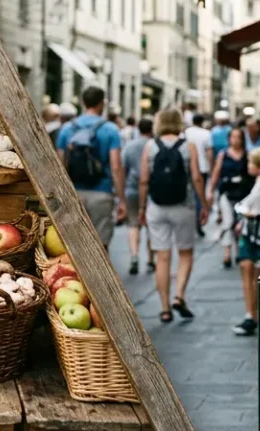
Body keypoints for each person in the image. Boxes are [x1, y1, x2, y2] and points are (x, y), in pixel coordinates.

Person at [139, 107, 208, 323]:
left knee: (162, 256)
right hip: (183, 206)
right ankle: (179, 296)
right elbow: (196, 178)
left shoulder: (150, 146)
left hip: (156, 207)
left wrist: (141, 208)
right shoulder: (189, 146)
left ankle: (164, 308)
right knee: (185, 253)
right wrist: (203, 204)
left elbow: (143, 180)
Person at [56, 87, 125, 250]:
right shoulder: (111, 129)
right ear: (102, 103)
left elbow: (60, 165)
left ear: (83, 102)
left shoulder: (67, 129)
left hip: (74, 193)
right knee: (101, 246)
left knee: (75, 246)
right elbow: (116, 167)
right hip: (102, 192)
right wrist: (122, 199)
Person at [231, 147, 260, 336]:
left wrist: (244, 212)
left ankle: (253, 314)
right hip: (253, 232)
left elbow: (249, 206)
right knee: (250, 271)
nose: (248, 166)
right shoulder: (259, 182)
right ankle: (252, 314)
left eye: (251, 163)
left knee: (253, 274)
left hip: (258, 234)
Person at [208, 127, 255, 269]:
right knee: (228, 222)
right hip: (226, 194)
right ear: (229, 139)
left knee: (241, 223)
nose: (235, 140)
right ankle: (227, 254)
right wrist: (210, 191)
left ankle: (239, 251)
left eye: (238, 137)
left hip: (243, 195)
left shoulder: (248, 155)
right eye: (233, 137)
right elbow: (216, 173)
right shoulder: (223, 155)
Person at [121, 118, 153, 275]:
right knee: (151, 226)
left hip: (132, 190)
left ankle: (134, 255)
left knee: (133, 224)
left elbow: (123, 168)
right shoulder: (154, 145)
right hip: (152, 191)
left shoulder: (129, 146)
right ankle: (151, 259)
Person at [183, 113, 213, 236]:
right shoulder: (206, 133)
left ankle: (189, 222)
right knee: (199, 194)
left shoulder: (186, 132)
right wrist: (211, 167)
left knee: (187, 194)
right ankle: (199, 221)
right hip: (202, 167)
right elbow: (210, 152)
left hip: (187, 167)